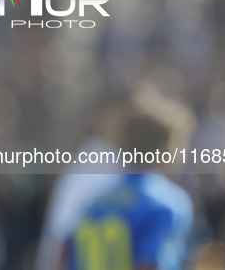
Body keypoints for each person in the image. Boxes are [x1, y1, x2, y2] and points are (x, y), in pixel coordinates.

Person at [36, 84, 196, 270]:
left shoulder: (95, 203)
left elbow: (62, 254)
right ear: (163, 147)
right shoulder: (167, 204)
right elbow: (148, 264)